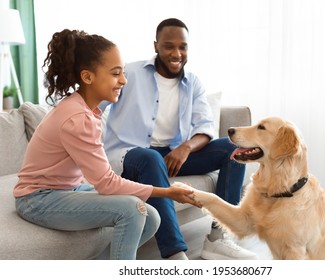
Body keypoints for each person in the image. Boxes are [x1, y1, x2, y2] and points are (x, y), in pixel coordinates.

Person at [13, 29, 200, 260]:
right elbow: (106, 184)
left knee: (151, 216)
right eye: (116, 74)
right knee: (134, 211)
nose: (124, 80)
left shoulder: (86, 110)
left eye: (123, 73)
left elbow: (103, 178)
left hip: (66, 189)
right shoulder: (77, 118)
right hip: (36, 199)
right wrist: (168, 192)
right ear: (88, 77)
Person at [100, 18, 258, 260]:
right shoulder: (128, 73)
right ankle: (175, 255)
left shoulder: (192, 83)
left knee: (231, 148)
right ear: (156, 46)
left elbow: (205, 127)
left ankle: (218, 238)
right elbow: (92, 103)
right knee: (150, 158)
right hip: (128, 156)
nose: (176, 53)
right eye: (168, 46)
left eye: (182, 47)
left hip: (170, 155)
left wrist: (186, 147)